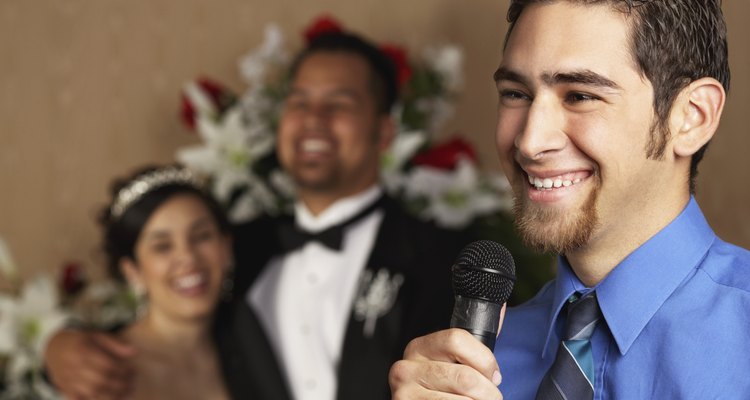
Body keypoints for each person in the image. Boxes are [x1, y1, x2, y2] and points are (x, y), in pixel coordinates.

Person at [45, 31, 465, 400]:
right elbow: (161, 325)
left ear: (384, 131)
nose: (313, 120)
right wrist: (58, 347)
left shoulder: (445, 259)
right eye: (299, 102)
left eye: (339, 103)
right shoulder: (235, 250)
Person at [389, 1, 750, 399]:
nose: (530, 142)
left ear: (692, 116)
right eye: (515, 93)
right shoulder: (474, 364)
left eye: (579, 95)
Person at [48, 165, 234, 399]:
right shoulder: (105, 374)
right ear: (133, 271)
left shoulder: (250, 345)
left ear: (226, 247)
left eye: (201, 236)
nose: (188, 258)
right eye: (162, 247)